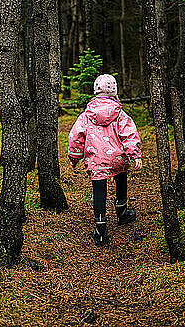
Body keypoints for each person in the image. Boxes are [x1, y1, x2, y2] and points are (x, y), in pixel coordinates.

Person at [67, 74, 142, 246]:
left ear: (95, 91)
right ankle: (122, 213)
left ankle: (101, 230)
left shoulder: (86, 115)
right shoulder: (120, 114)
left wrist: (74, 157)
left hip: (97, 160)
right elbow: (129, 135)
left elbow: (75, 137)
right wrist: (135, 154)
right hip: (118, 158)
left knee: (98, 190)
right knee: (121, 175)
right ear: (114, 92)